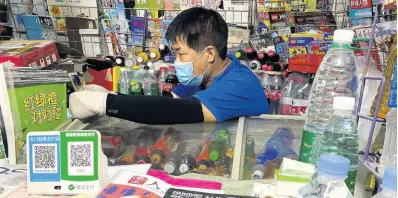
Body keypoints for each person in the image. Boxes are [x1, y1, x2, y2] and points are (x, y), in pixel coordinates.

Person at [69, 7, 269, 124]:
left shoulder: (240, 84)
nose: (176, 61)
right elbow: (164, 103)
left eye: (181, 53)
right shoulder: (201, 77)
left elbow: (176, 111)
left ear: (209, 54)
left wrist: (105, 103)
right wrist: (111, 96)